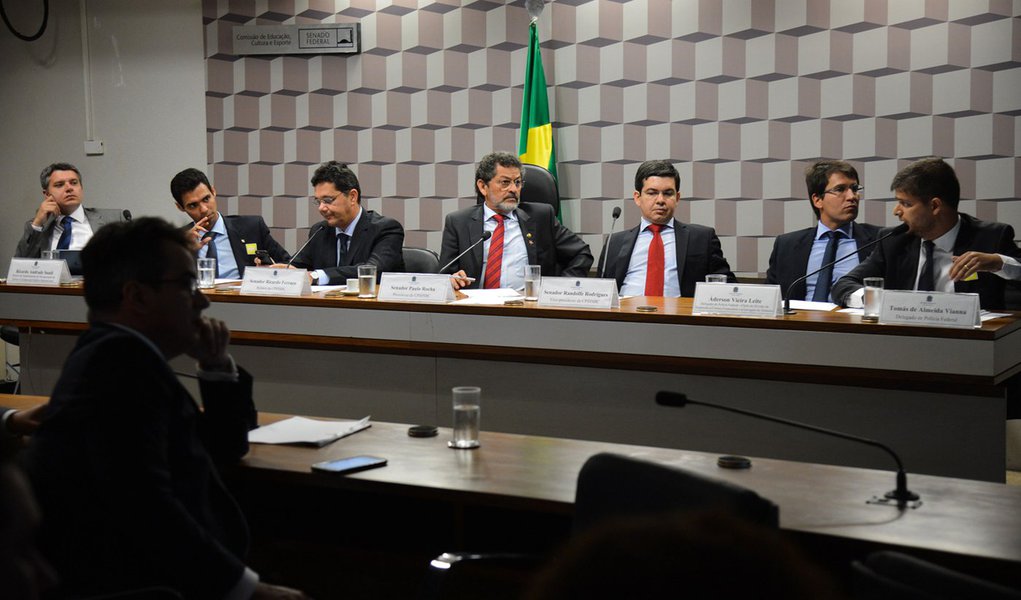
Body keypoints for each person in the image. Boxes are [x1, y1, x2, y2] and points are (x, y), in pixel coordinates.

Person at [21, 218, 305, 599]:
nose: (204, 300)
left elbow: (221, 446)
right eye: (188, 285)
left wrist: (216, 367)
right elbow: (145, 508)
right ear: (137, 296)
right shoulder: (118, 368)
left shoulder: (122, 355)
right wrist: (246, 590)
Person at [832, 157, 1021, 309]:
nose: (896, 211)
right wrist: (878, 301)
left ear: (935, 206)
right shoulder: (894, 241)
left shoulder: (990, 237)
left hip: (972, 345)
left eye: (906, 204)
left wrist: (998, 263)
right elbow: (844, 285)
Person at [441, 152, 593, 290]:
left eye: (518, 182)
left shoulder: (541, 217)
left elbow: (582, 253)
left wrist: (560, 289)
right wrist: (452, 279)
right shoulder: (458, 222)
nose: (514, 189)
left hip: (527, 309)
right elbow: (445, 275)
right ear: (483, 187)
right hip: (476, 310)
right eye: (505, 182)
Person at [598, 160, 735, 297]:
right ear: (637, 198)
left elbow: (726, 286)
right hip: (625, 315)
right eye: (652, 193)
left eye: (668, 193)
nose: (660, 200)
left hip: (679, 315)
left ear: (677, 198)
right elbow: (601, 291)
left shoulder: (702, 238)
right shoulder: (614, 242)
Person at [766, 160, 881, 301]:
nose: (852, 196)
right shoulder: (786, 245)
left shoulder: (879, 240)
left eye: (855, 188)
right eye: (840, 189)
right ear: (817, 200)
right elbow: (770, 299)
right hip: (800, 321)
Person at [284, 161, 405, 285]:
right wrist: (282, 270)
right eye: (318, 201)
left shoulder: (386, 229)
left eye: (327, 200)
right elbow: (296, 266)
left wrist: (318, 276)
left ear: (352, 196)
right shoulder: (320, 231)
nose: (321, 208)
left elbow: (372, 271)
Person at [171, 168, 290, 278]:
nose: (204, 209)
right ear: (180, 207)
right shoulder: (176, 241)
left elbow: (290, 265)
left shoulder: (252, 227)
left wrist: (272, 270)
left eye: (206, 199)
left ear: (213, 191)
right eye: (193, 205)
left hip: (243, 299)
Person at [15, 162, 128, 258]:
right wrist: (37, 224)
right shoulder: (38, 228)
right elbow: (20, 268)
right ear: (47, 194)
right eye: (59, 185)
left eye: (74, 183)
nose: (69, 188)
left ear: (81, 188)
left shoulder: (114, 219)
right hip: (51, 283)